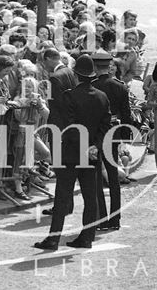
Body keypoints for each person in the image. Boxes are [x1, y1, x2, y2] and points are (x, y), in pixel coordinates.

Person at [33, 55, 111, 251]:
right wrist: (96, 146)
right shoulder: (102, 97)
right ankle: (87, 238)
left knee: (62, 196)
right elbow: (105, 126)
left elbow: (67, 127)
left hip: (71, 153)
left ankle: (53, 239)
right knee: (90, 197)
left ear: (76, 75)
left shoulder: (69, 96)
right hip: (92, 154)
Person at [91, 52, 132, 231]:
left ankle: (101, 219)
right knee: (113, 178)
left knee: (97, 178)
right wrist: (124, 138)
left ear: (94, 67)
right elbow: (126, 115)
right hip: (113, 134)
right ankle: (115, 219)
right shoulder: (119, 87)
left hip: (95, 135)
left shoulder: (91, 86)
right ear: (109, 66)